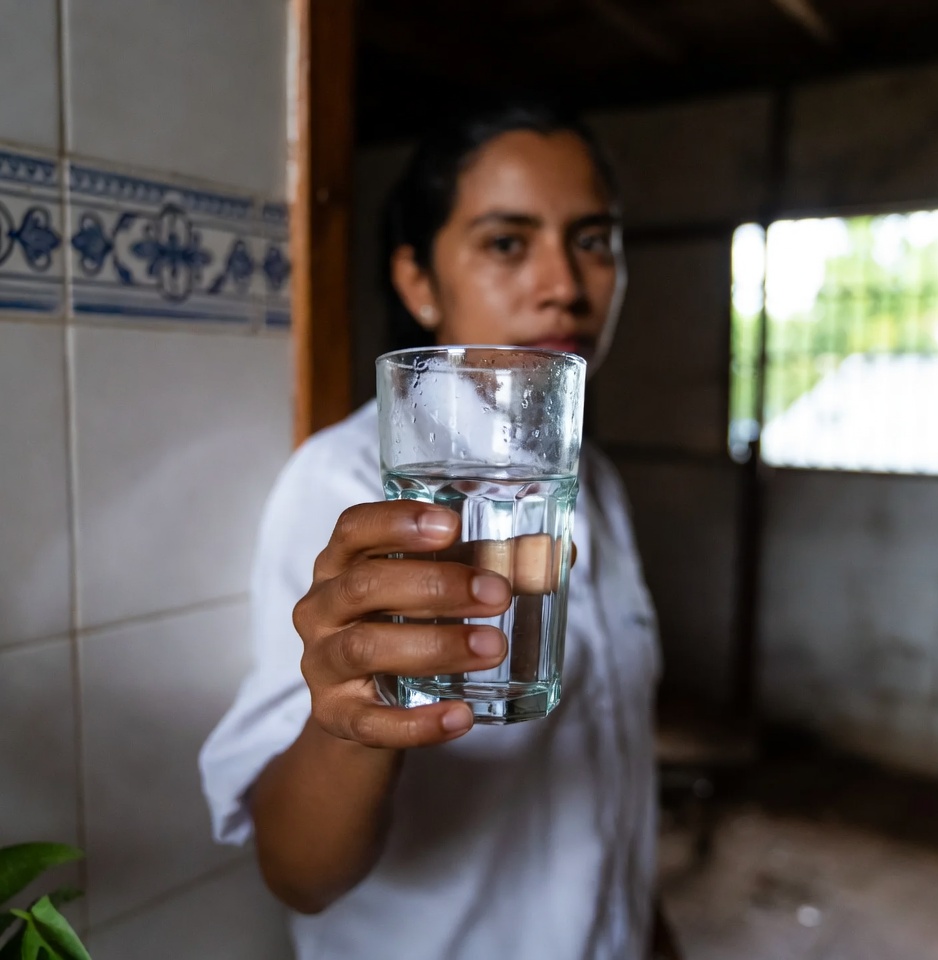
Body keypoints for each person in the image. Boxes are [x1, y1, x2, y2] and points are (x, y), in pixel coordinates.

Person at [200, 102, 661, 959]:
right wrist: (352, 718)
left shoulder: (589, 480)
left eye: (594, 239)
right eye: (506, 243)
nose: (564, 281)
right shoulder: (350, 489)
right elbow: (297, 871)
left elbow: (614, 772)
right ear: (417, 282)